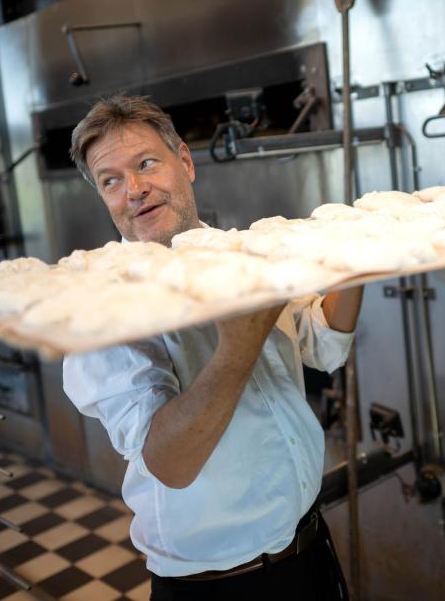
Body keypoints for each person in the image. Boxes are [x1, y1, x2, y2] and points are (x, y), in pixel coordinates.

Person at [61, 94, 362, 599]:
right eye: (111, 180)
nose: (133, 190)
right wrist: (239, 345)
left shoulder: (244, 254)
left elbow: (323, 345)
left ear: (184, 161)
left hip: (308, 548)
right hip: (218, 586)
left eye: (145, 164)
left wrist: (360, 265)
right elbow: (171, 464)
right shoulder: (101, 313)